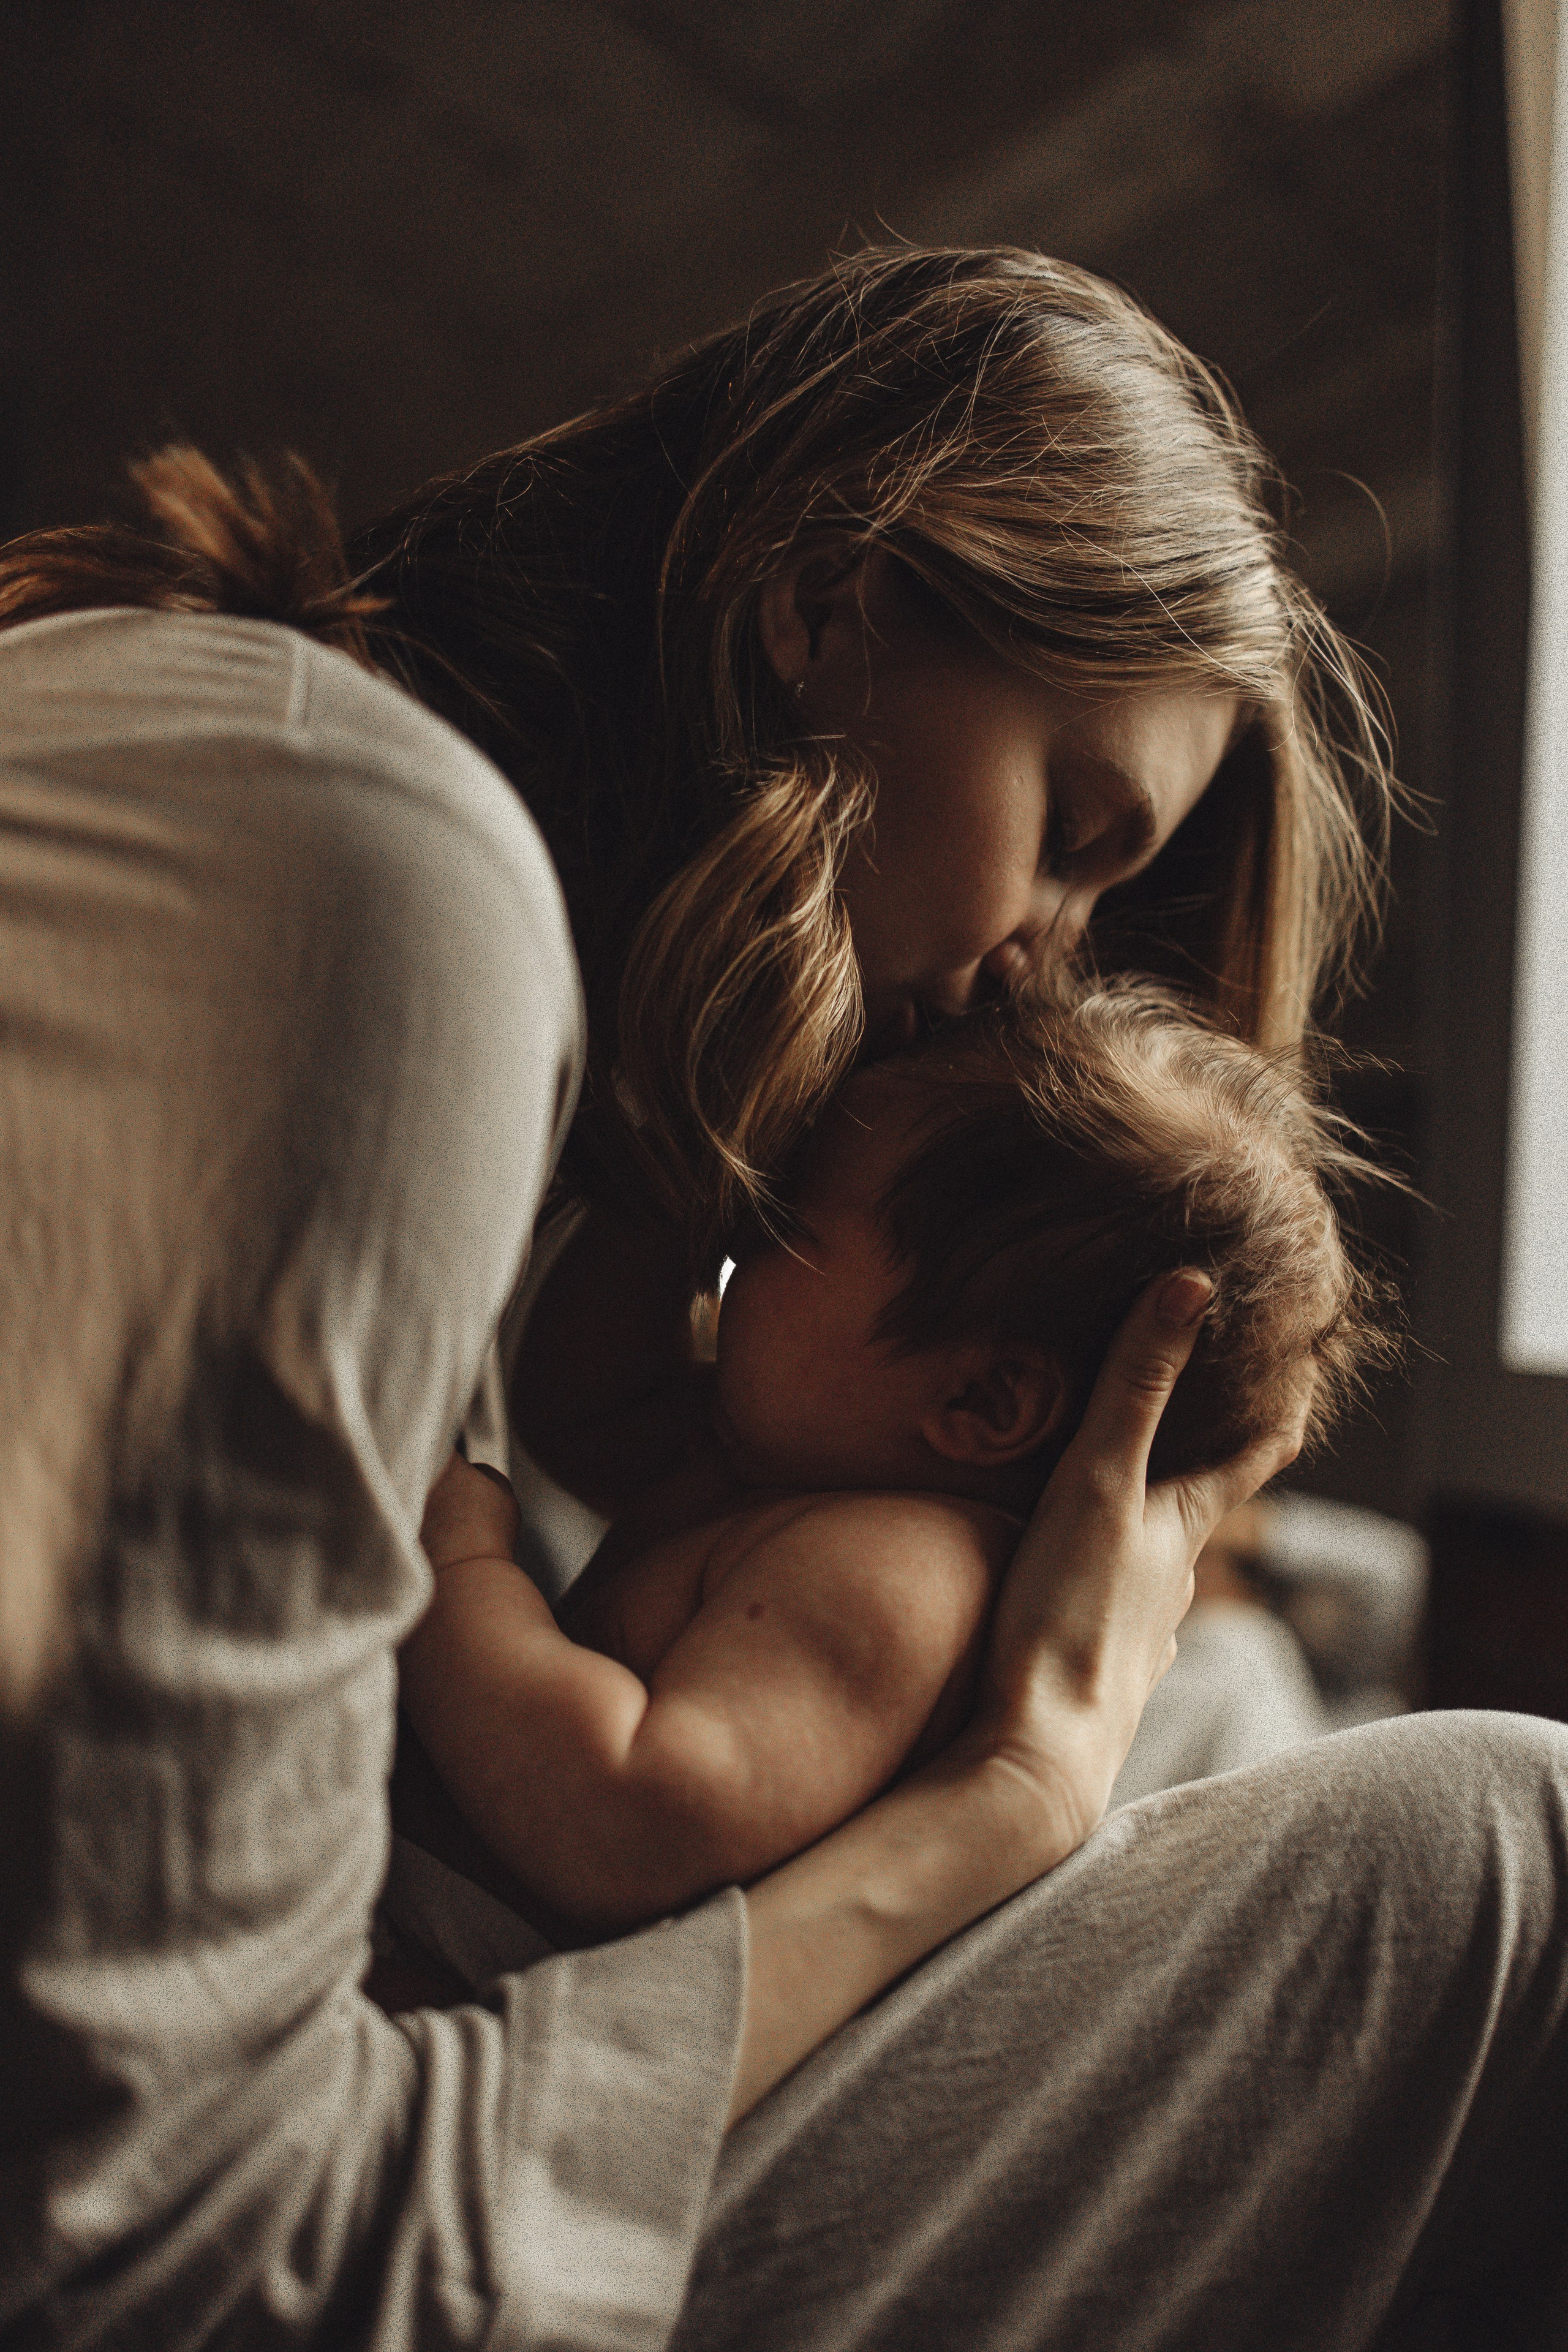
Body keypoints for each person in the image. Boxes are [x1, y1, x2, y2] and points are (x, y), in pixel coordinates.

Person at [0, 246, 1564, 2352]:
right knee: (1515, 1850)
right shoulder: (389, 901)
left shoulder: (211, 722)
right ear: (825, 606)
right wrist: (984, 1828)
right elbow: (175, 2252)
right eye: (1070, 833)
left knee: (1232, 1725)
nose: (1038, 962)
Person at [393, 984, 1390, 1948]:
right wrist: (689, 1159)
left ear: (978, 1404)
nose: (739, 1233)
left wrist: (464, 1571)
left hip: (464, 1965)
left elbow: (630, 1817)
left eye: (785, 1220)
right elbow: (584, 1396)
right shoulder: (805, 1460)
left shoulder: (895, 1574)